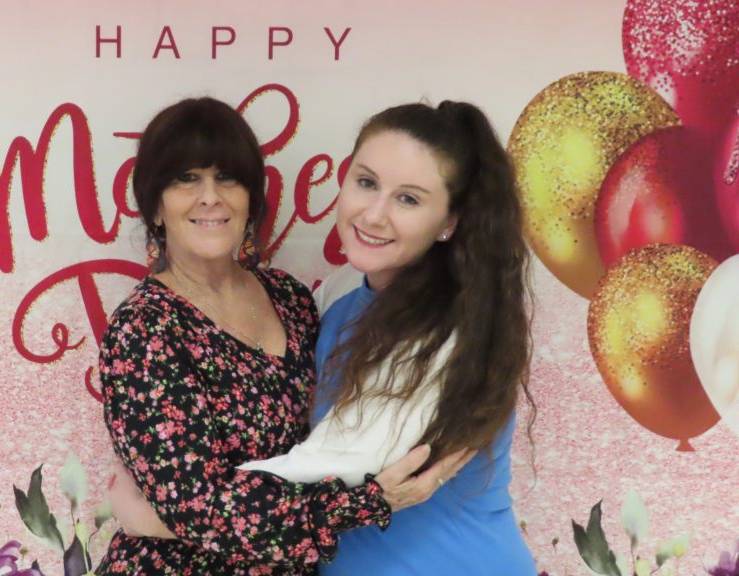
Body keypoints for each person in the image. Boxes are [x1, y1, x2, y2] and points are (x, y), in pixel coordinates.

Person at [113, 101, 538, 575]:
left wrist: (164, 517)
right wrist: (185, 506)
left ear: (449, 222)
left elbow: (335, 465)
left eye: (409, 199)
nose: (374, 215)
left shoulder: (449, 327)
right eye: (367, 183)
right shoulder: (328, 298)